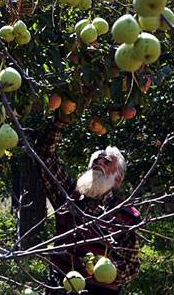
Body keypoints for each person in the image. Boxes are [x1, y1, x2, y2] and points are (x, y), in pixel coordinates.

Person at [36, 116, 141, 294]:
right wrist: (63, 116)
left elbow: (131, 267)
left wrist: (103, 266)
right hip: (60, 286)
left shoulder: (127, 216)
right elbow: (45, 155)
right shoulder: (69, 196)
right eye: (95, 161)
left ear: (118, 178)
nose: (99, 162)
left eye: (107, 161)